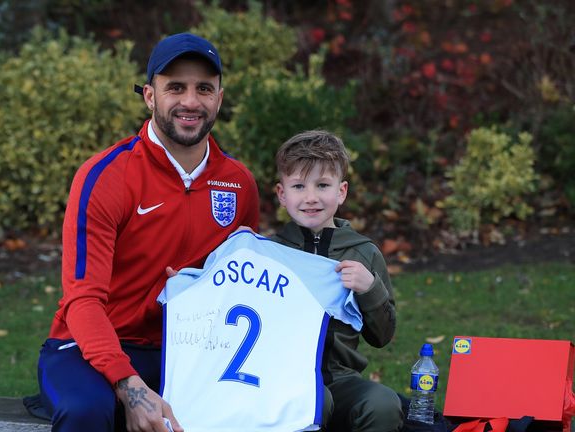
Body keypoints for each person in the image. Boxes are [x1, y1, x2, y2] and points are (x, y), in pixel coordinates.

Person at [35, 32, 260, 432]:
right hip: (86, 349)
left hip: (185, 353)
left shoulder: (239, 183)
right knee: (87, 411)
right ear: (149, 96)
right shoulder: (104, 176)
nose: (190, 102)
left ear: (220, 99)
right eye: (175, 87)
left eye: (203, 89)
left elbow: (241, 288)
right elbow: (83, 300)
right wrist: (129, 386)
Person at [271, 130, 402, 432]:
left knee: (382, 403)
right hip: (281, 379)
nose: (311, 197)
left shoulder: (363, 252)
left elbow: (382, 337)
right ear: (282, 194)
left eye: (323, 185)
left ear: (341, 191)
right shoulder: (270, 252)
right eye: (299, 186)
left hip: (341, 378)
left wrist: (371, 288)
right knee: (316, 401)